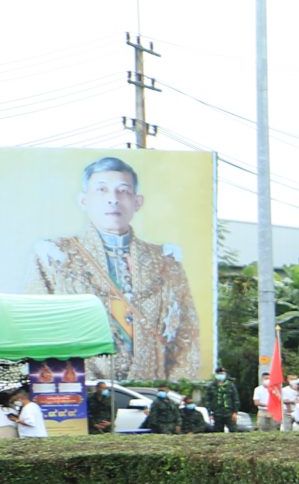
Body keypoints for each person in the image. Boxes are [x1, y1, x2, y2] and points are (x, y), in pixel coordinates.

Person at [32, 155, 203, 384]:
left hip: (151, 392)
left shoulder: (166, 261)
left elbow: (186, 336)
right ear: (84, 200)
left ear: (137, 202)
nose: (113, 199)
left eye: (123, 191)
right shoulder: (54, 256)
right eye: (101, 190)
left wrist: (172, 393)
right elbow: (41, 329)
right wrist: (77, 393)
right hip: (80, 392)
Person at [0, 366, 48, 439]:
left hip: (33, 436)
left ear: (20, 398)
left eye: (15, 399)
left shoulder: (29, 408)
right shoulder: (29, 407)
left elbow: (30, 422)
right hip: (30, 436)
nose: (15, 402)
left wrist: (15, 419)